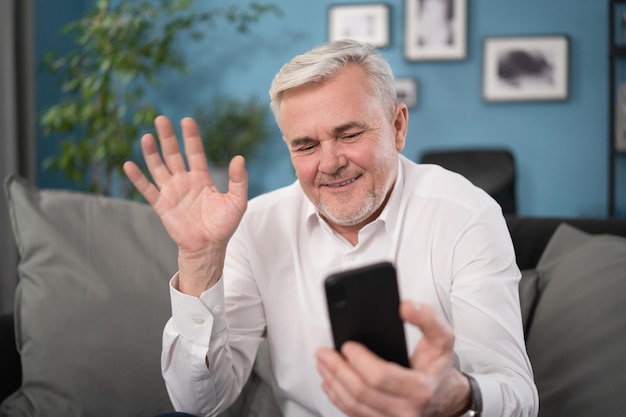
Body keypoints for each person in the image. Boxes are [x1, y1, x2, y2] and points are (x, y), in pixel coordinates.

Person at [123, 39, 539, 417]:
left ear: (397, 127)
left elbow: (517, 394)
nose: (330, 162)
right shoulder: (257, 226)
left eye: (349, 134)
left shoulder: (465, 213)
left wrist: (458, 395)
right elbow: (200, 405)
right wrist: (200, 262)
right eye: (306, 145)